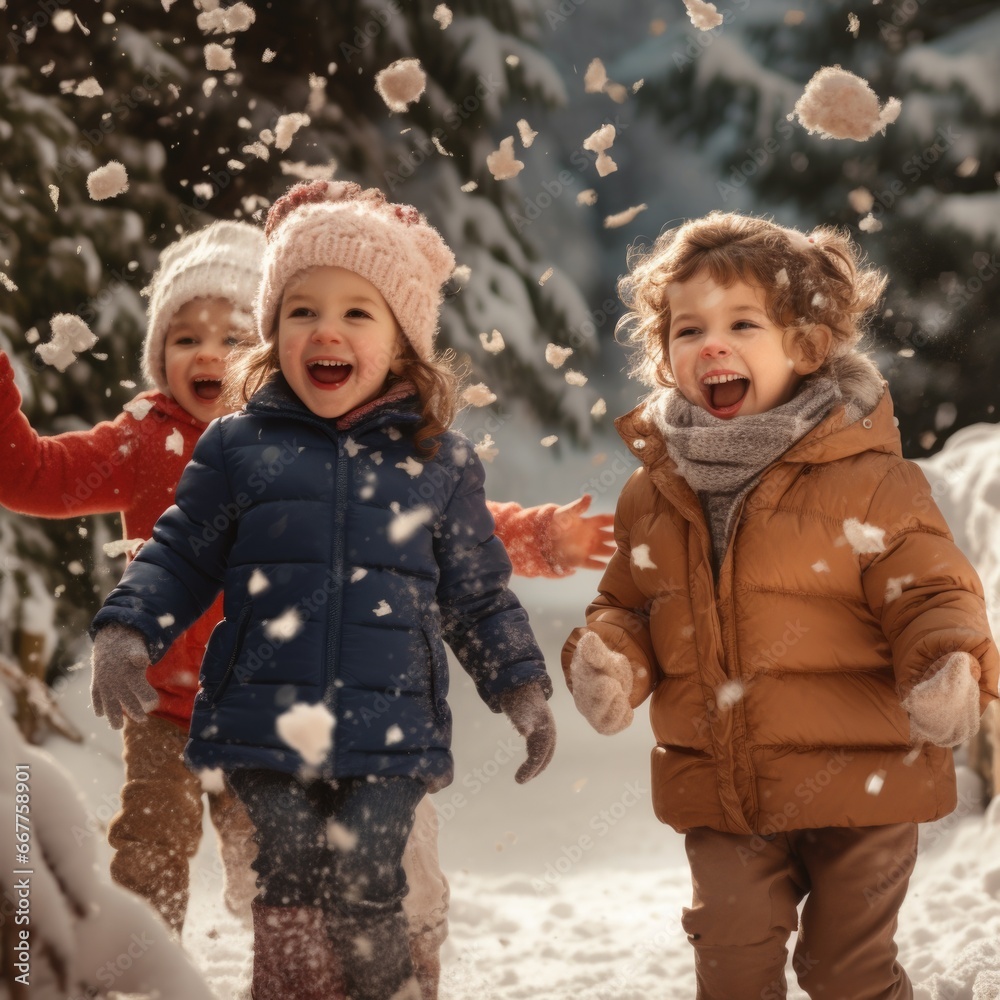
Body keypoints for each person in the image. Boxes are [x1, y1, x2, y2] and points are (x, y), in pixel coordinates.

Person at [88, 179, 558, 1000]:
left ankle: (385, 990)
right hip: (266, 723)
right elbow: (179, 553)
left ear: (404, 343)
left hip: (389, 730)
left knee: (370, 880)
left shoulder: (437, 463)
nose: (325, 330)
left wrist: (520, 686)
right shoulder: (238, 447)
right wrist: (129, 627)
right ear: (272, 334)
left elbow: (478, 595)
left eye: (357, 313)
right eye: (302, 311)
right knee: (290, 883)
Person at [562, 211, 998, 999]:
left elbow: (929, 589)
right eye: (688, 329)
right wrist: (614, 662)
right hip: (725, 788)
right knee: (730, 962)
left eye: (741, 324)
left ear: (806, 346)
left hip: (863, 783)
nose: (711, 345)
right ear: (665, 355)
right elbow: (628, 602)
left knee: (845, 969)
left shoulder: (868, 477)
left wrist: (942, 664)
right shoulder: (654, 489)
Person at [0, 220, 265, 935]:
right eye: (186, 339)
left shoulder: (292, 445)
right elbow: (34, 476)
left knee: (272, 859)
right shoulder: (142, 440)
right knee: (150, 848)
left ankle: (291, 953)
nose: (207, 352)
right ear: (160, 356)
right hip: (163, 704)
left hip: (268, 701)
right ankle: (142, 969)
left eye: (232, 337)